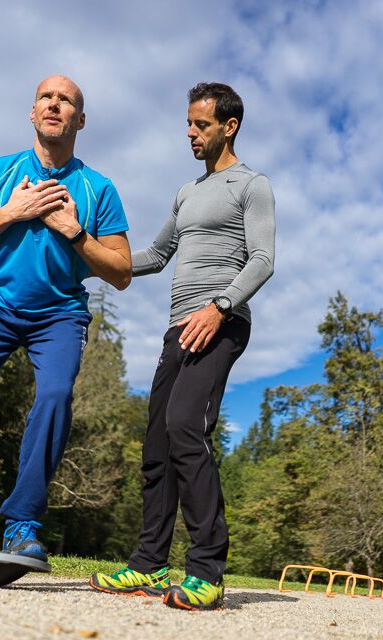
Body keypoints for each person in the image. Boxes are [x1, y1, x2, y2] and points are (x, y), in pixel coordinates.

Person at [0, 75, 131, 562]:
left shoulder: (99, 189)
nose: (55, 105)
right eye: (46, 98)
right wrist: (11, 212)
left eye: (67, 100)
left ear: (81, 119)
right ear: (33, 113)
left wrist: (74, 232)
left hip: (60, 315)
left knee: (54, 396)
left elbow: (121, 272)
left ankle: (22, 525)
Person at [90, 82, 275, 610]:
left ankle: (208, 569)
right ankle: (149, 565)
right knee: (157, 445)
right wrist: (87, 250)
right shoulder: (188, 192)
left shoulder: (252, 185)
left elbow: (262, 258)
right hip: (178, 327)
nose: (190, 134)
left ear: (228, 126)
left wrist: (219, 307)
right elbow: (154, 253)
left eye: (200, 125)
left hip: (221, 322)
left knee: (185, 428)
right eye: (188, 125)